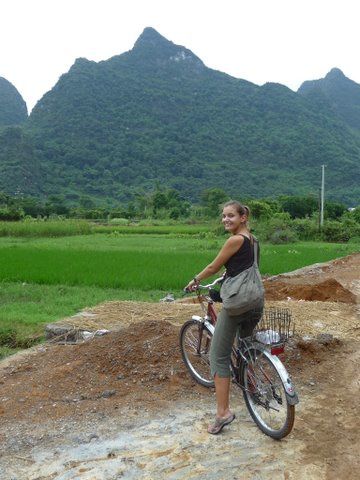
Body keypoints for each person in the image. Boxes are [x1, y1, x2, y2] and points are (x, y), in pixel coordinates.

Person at [185, 200, 263, 434]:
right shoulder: (254, 241)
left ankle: (222, 413)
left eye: (230, 215)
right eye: (223, 216)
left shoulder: (234, 240)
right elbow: (245, 269)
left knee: (218, 356)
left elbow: (213, 267)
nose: (226, 219)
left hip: (238, 305)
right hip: (256, 301)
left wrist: (195, 281)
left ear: (243, 218)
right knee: (245, 347)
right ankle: (252, 384)